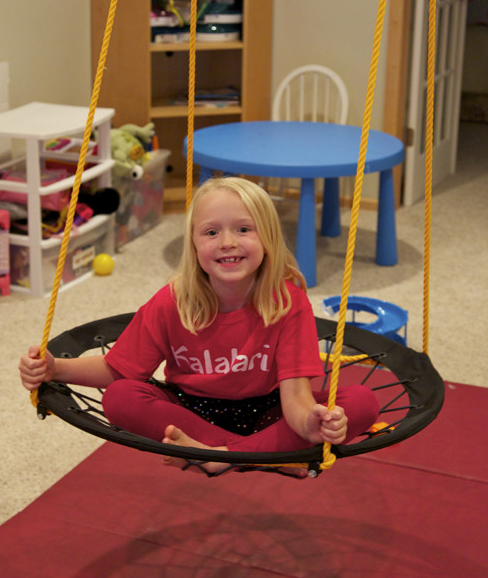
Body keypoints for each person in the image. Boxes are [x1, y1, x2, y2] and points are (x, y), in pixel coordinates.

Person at [19, 177, 380, 476]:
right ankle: (268, 457)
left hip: (272, 411)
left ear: (268, 238)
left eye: (243, 229)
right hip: (192, 413)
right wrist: (56, 368)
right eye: (211, 232)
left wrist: (310, 424)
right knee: (121, 398)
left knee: (360, 403)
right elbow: (118, 369)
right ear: (193, 244)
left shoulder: (287, 301)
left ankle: (219, 457)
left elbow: (297, 397)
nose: (227, 242)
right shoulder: (173, 300)